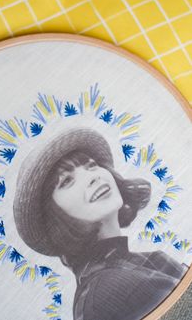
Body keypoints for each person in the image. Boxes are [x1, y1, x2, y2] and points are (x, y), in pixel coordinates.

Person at [13, 127, 186, 320]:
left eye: (91, 165)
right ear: (55, 217)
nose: (93, 176)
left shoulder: (150, 261)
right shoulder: (108, 291)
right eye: (67, 181)